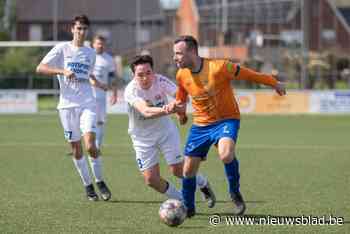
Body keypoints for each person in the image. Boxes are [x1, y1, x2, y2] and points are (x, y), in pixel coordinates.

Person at [172, 35, 286, 217]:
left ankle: (235, 193)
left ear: (192, 52)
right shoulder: (181, 74)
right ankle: (188, 208)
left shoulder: (220, 67)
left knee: (226, 154)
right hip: (201, 125)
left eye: (178, 53)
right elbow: (181, 97)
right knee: (187, 170)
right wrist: (181, 113)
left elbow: (250, 74)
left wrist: (274, 83)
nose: (175, 58)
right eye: (174, 54)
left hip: (226, 120)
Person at [36, 15, 112, 202]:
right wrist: (62, 71)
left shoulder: (90, 53)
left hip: (88, 103)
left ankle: (100, 180)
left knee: (90, 146)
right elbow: (40, 68)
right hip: (67, 106)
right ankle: (88, 186)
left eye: (84, 29)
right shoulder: (62, 48)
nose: (81, 31)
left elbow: (88, 74)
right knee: (77, 149)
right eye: (78, 28)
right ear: (72, 29)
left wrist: (98, 83)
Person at [124, 55, 216, 205]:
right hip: (142, 139)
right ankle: (180, 199)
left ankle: (203, 184)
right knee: (151, 180)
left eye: (148, 73)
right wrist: (168, 110)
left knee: (178, 170)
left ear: (153, 71)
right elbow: (145, 111)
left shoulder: (160, 81)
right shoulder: (131, 91)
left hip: (165, 132)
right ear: (133, 75)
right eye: (140, 75)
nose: (145, 78)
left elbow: (181, 96)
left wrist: (181, 112)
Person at [91, 35, 118, 154]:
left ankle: (97, 146)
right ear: (93, 44)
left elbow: (112, 77)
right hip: (86, 94)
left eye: (102, 44)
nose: (100, 46)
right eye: (98, 43)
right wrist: (96, 83)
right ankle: (78, 145)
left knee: (100, 121)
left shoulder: (109, 59)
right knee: (84, 120)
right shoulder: (88, 56)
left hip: (100, 96)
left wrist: (114, 92)